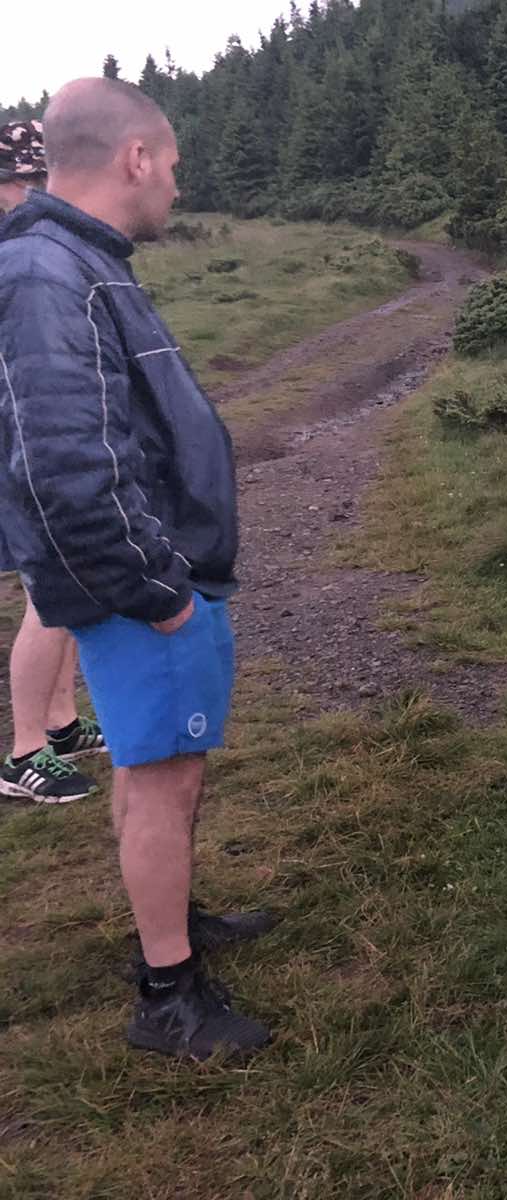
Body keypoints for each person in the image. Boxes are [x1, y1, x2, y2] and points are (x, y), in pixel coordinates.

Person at [0, 78, 273, 1058]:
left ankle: (174, 918)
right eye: (173, 162)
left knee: (158, 765)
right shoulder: (46, 274)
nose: (177, 180)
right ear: (134, 159)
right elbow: (68, 465)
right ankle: (169, 995)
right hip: (145, 585)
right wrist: (157, 593)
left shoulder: (70, 259)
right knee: (161, 777)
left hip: (149, 574)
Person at [0, 119, 106, 805]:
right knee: (51, 586)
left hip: (31, 435)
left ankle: (61, 725)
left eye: (44, 177)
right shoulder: (19, 257)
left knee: (65, 586)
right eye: (22, 180)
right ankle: (23, 752)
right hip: (22, 443)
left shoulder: (37, 248)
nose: (35, 192)